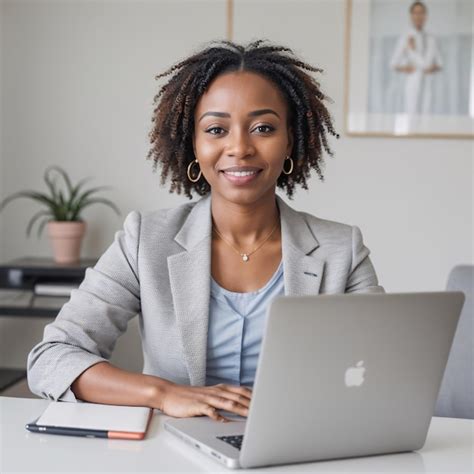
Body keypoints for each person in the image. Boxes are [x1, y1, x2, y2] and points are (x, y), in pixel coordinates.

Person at [27, 39, 384, 423]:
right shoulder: (145, 240)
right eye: (216, 129)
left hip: (299, 447)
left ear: (290, 141)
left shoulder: (340, 250)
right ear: (193, 145)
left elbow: (388, 368)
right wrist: (164, 394)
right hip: (172, 451)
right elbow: (52, 358)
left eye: (263, 128)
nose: (240, 148)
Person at [389, 1, 443, 114]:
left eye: (421, 13)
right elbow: (393, 63)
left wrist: (432, 68)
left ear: (426, 16)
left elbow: (439, 63)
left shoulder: (432, 39)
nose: (419, 16)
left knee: (427, 114)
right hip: (411, 83)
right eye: (415, 13)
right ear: (411, 16)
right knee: (411, 113)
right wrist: (405, 68)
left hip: (428, 83)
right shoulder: (405, 38)